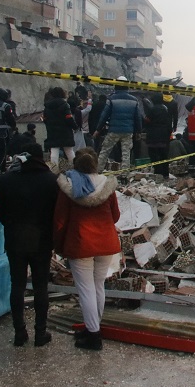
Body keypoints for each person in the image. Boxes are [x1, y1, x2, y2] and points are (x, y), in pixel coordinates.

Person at [53, 148, 120, 351]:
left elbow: (59, 220)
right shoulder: (107, 186)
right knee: (98, 286)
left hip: (80, 243)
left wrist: (57, 245)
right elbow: (115, 216)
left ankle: (93, 335)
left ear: (76, 166)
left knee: (86, 290)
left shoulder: (69, 188)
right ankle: (94, 327)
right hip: (106, 243)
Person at [0, 143, 59, 348]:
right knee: (41, 286)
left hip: (15, 238)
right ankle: (40, 333)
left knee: (17, 285)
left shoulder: (7, 180)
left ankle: (19, 332)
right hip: (41, 239)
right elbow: (56, 213)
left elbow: (0, 211)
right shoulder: (52, 180)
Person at [94, 77, 143, 172]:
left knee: (105, 151)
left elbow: (104, 116)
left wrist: (98, 129)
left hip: (113, 130)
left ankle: (98, 172)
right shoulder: (134, 100)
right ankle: (124, 175)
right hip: (128, 131)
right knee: (126, 154)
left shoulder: (111, 99)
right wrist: (138, 132)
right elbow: (138, 118)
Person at [44, 87, 77, 170]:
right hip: (65, 131)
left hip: (52, 131)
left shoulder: (47, 106)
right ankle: (75, 168)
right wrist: (75, 126)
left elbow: (45, 119)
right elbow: (69, 118)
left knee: (54, 151)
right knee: (69, 151)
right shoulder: (65, 104)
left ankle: (54, 170)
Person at [144, 93, 173, 178]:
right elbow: (169, 122)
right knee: (164, 155)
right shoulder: (165, 109)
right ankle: (165, 173)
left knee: (154, 155)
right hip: (164, 136)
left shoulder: (152, 109)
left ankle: (158, 173)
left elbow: (147, 120)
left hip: (153, 136)